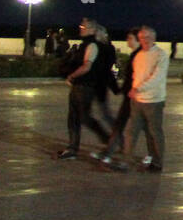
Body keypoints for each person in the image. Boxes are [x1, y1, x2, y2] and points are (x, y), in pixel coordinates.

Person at [57, 18, 116, 159]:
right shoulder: (84, 45)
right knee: (74, 118)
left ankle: (107, 138)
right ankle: (72, 149)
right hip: (79, 86)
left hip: (86, 87)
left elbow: (87, 66)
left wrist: (72, 76)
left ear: (91, 29)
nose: (80, 28)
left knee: (84, 117)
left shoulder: (92, 45)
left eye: (83, 26)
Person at [112, 25, 168, 172]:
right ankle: (125, 162)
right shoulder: (138, 55)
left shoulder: (161, 55)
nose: (145, 40)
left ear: (154, 38)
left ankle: (157, 163)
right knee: (131, 132)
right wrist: (133, 91)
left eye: (148, 37)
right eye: (142, 38)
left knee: (154, 134)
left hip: (154, 101)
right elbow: (135, 76)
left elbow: (157, 77)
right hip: (137, 101)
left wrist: (137, 88)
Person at [95, 28, 141, 168]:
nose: (127, 40)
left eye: (129, 38)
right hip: (130, 95)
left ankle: (126, 159)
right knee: (119, 126)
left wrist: (129, 90)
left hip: (136, 97)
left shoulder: (139, 56)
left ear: (137, 40)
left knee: (135, 128)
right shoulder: (134, 54)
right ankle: (109, 153)